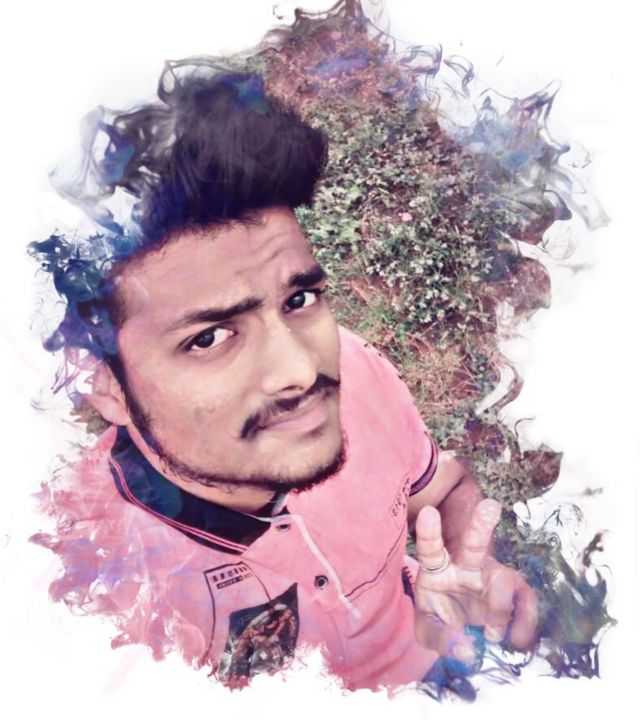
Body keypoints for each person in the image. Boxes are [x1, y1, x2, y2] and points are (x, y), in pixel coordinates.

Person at [30, 66, 538, 695]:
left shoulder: (355, 371)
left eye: (298, 300)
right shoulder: (95, 602)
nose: (301, 373)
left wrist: (472, 562)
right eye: (209, 337)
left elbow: (441, 486)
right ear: (105, 384)